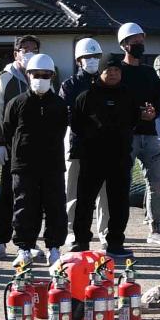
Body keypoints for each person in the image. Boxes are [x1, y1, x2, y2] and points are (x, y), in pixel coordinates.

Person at [0, 52, 69, 260]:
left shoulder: (59, 104)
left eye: (46, 75)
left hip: (53, 164)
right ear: (28, 75)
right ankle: (24, 248)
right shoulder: (16, 103)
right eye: (36, 74)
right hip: (23, 164)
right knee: (23, 206)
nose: (41, 79)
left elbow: (62, 130)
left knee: (55, 206)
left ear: (52, 77)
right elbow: (8, 129)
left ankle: (54, 248)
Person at [69, 55, 141, 257]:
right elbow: (76, 124)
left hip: (119, 157)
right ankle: (81, 241)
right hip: (92, 157)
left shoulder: (128, 95)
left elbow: (135, 119)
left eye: (117, 71)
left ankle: (115, 243)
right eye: (109, 71)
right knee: (85, 200)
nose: (113, 74)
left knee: (118, 201)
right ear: (100, 72)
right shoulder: (86, 96)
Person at [0, 35, 40, 261]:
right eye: (24, 49)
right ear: (15, 53)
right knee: (7, 194)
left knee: (33, 198)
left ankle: (29, 242)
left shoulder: (42, 75)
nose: (28, 52)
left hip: (35, 147)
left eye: (33, 49)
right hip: (10, 147)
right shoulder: (4, 77)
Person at [116, 23, 160, 245]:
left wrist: (153, 111)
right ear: (124, 45)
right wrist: (137, 115)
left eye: (141, 41)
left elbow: (159, 100)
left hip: (150, 136)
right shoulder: (116, 72)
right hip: (126, 136)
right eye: (134, 41)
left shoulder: (149, 72)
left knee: (156, 184)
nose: (139, 45)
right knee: (120, 183)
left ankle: (155, 228)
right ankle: (116, 230)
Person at [61, 37, 105, 239]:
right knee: (74, 188)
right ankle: (72, 229)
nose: (92, 60)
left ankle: (105, 231)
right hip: (77, 140)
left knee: (105, 190)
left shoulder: (105, 83)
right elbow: (67, 114)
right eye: (88, 57)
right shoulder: (69, 85)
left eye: (96, 56)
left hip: (103, 142)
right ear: (79, 60)